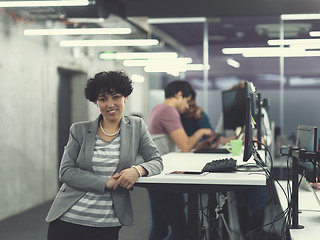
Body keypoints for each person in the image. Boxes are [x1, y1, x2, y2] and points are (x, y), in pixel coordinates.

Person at [46, 70, 163, 240]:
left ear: (125, 97)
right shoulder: (79, 130)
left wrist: (138, 170)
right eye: (103, 99)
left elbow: (157, 160)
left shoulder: (137, 127)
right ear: (96, 102)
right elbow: (65, 172)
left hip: (107, 222)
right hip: (69, 218)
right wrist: (105, 182)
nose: (110, 104)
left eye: (115, 96)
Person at [147, 80, 214, 240]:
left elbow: (173, 146)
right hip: (163, 179)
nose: (187, 107)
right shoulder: (168, 111)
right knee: (181, 230)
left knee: (160, 228)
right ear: (179, 95)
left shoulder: (157, 109)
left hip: (158, 176)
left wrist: (198, 145)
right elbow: (184, 146)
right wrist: (201, 132)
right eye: (187, 101)